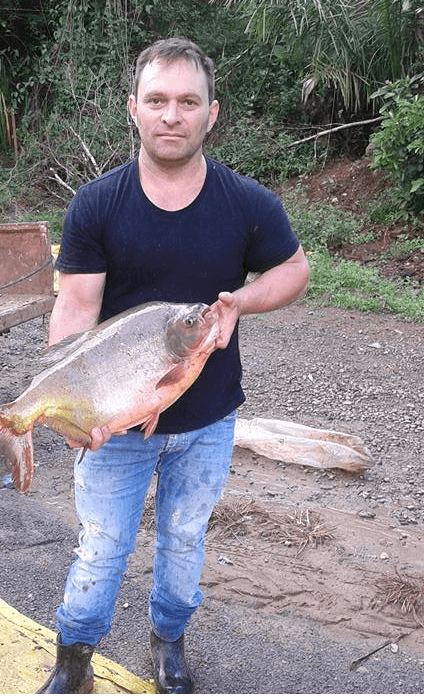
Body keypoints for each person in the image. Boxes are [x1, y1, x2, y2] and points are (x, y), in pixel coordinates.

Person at [38, 37, 309, 695]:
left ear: (211, 114)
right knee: (100, 549)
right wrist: (71, 407)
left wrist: (241, 300)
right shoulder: (96, 205)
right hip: (116, 420)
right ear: (133, 109)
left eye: (188, 102)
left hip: (208, 417)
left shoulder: (247, 203)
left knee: (184, 544)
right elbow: (75, 308)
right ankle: (73, 660)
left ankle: (168, 646)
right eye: (157, 100)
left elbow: (295, 270)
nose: (171, 115)